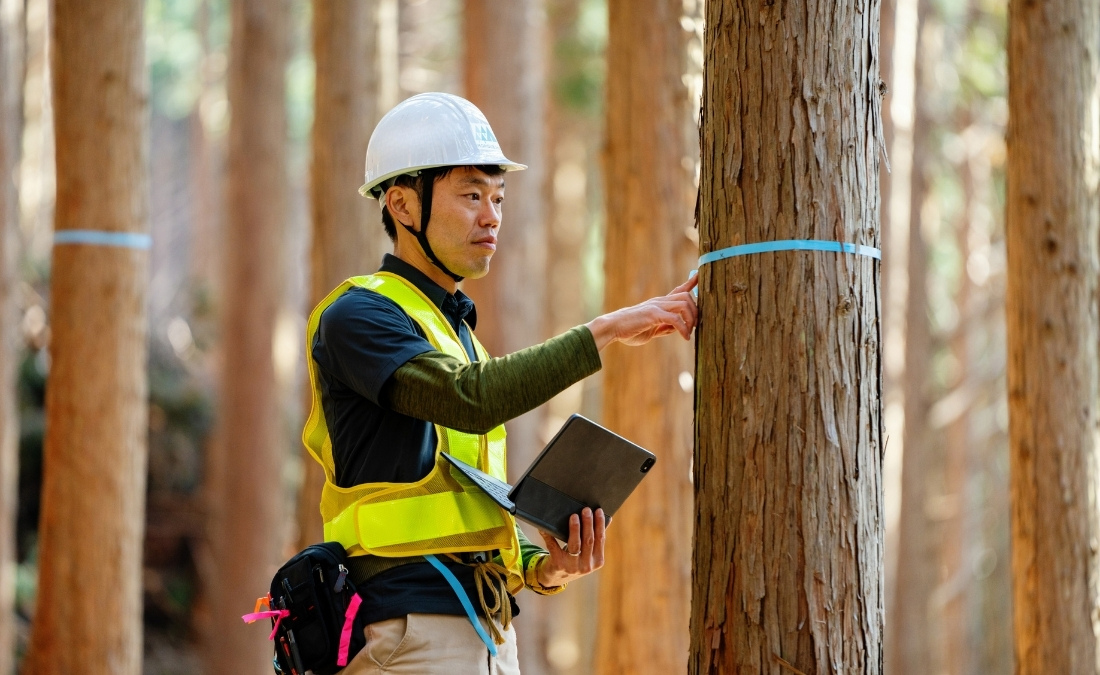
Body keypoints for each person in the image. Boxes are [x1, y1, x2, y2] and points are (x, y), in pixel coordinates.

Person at [302, 92, 698, 674]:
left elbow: (463, 508)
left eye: (497, 198)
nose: (491, 216)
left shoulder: (458, 337)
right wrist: (606, 330)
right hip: (411, 634)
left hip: (485, 635)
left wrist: (546, 566)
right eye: (470, 195)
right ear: (403, 204)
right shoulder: (358, 316)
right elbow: (471, 399)